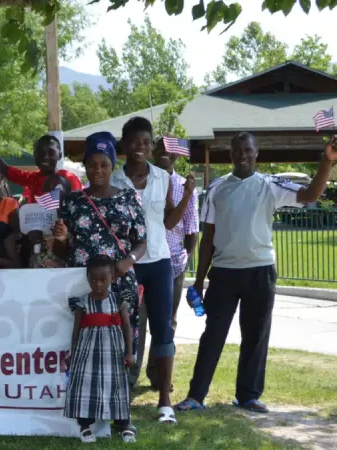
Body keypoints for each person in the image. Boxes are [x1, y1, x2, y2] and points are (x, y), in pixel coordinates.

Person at [176, 133, 337, 414]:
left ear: (256, 153)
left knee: (256, 335)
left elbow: (311, 194)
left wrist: (327, 160)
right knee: (213, 335)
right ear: (230, 155)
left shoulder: (270, 186)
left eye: (248, 150)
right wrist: (200, 280)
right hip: (224, 274)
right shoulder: (217, 188)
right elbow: (209, 238)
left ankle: (248, 395)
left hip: (260, 272)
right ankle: (196, 395)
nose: (243, 155)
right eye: (237, 150)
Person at [50, 131, 146, 425]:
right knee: (87, 342)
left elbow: (141, 241)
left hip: (120, 283)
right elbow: (61, 250)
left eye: (104, 164)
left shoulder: (129, 198)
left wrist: (126, 262)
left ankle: (120, 410)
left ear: (113, 165)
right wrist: (62, 239)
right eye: (92, 164)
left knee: (121, 343)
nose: (98, 171)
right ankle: (87, 409)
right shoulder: (73, 201)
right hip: (84, 283)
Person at [109, 117, 194, 424]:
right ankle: (120, 395)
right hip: (125, 264)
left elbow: (169, 222)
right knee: (124, 330)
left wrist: (186, 196)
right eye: (134, 142)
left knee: (162, 328)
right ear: (124, 145)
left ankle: (165, 400)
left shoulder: (162, 176)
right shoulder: (114, 180)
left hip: (158, 262)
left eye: (146, 142)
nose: (140, 148)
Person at [132, 137, 199, 391]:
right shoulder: (144, 181)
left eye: (172, 152)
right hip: (142, 259)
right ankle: (132, 373)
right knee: (138, 319)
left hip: (172, 263)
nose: (166, 155)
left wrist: (187, 257)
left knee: (166, 321)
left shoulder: (184, 185)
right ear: (152, 151)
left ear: (178, 157)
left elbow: (192, 229)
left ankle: (158, 375)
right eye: (161, 150)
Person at [65, 254, 135, 444]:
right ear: (87, 278)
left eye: (103, 279)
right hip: (87, 354)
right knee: (86, 385)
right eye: (93, 279)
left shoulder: (119, 300)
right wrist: (73, 352)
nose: (98, 284)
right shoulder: (82, 303)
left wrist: (129, 352)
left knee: (117, 387)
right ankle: (85, 426)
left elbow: (127, 327)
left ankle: (124, 424)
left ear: (112, 278)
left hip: (113, 353)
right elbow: (76, 329)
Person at [0, 127, 83, 202]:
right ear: (34, 155)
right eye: (41, 153)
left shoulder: (69, 178)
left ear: (60, 155)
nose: (45, 157)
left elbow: (78, 205)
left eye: (51, 153)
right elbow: (4, 168)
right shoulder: (32, 179)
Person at [26, 174, 70, 269]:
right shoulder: (36, 217)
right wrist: (31, 239)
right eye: (48, 191)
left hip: (63, 274)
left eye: (58, 190)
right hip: (36, 272)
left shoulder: (73, 219)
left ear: (68, 193)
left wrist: (62, 239)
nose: (52, 195)